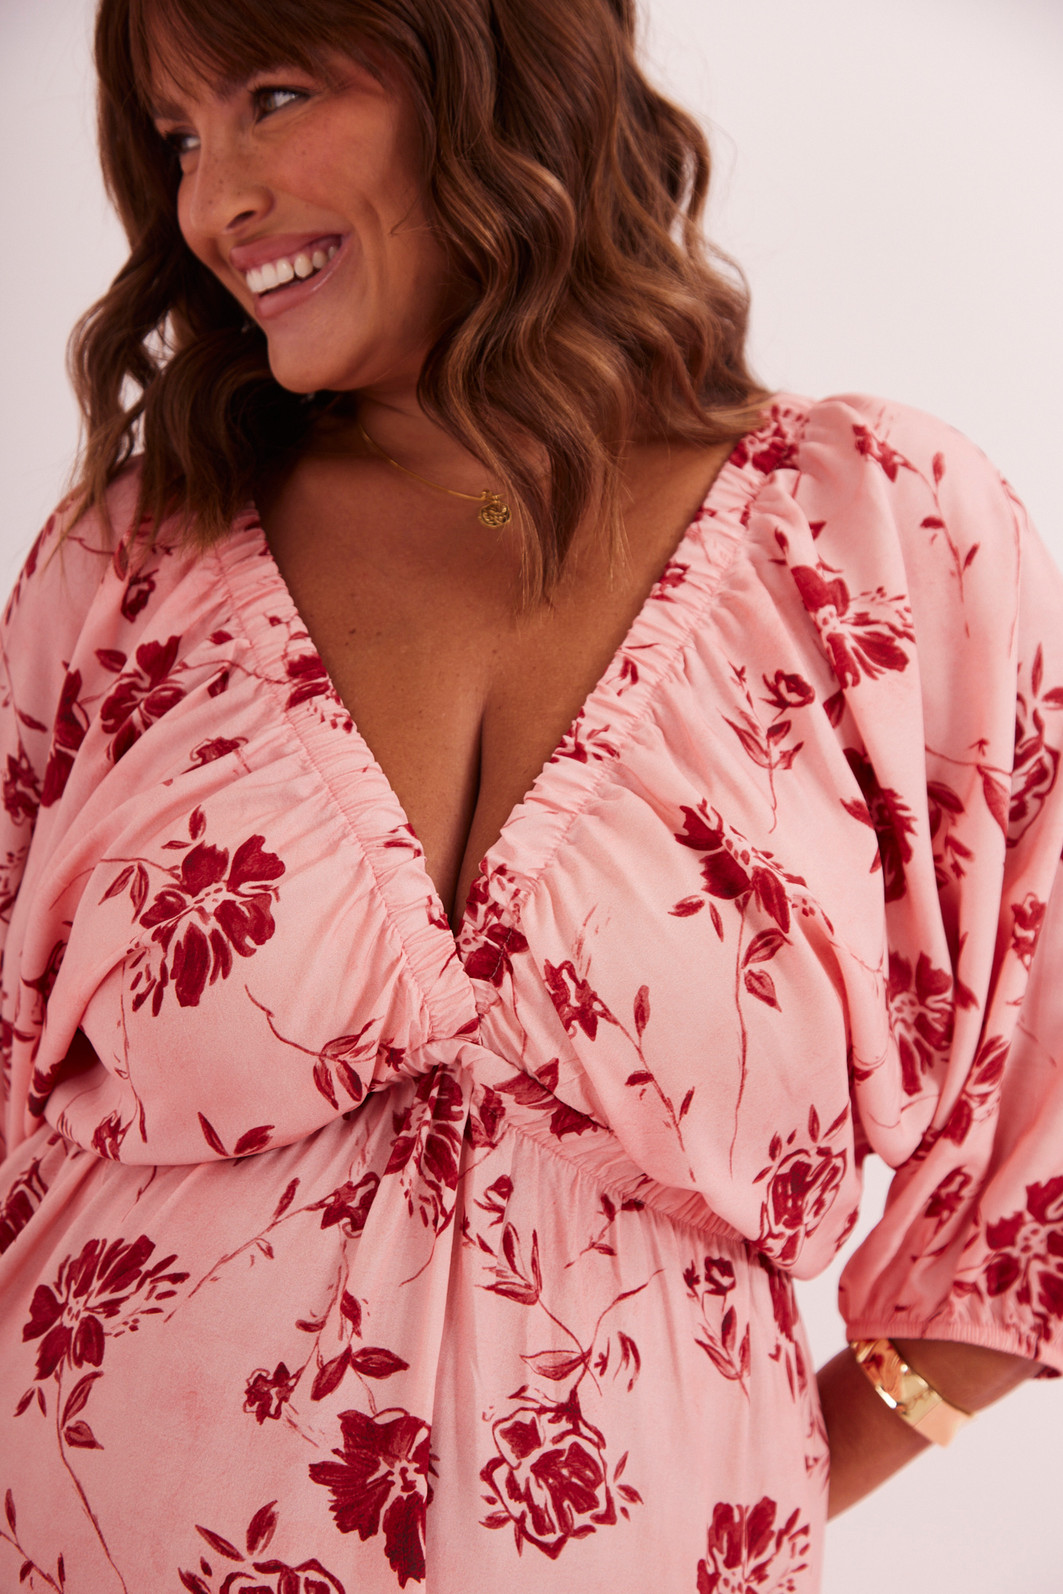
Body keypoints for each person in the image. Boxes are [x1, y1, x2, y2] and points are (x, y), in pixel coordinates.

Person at [0, 0, 1060, 1588]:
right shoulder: (132, 564)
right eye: (177, 137)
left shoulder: (876, 544)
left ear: (493, 68)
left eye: (271, 96)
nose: (212, 200)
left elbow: (1042, 1133)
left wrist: (743, 1490)